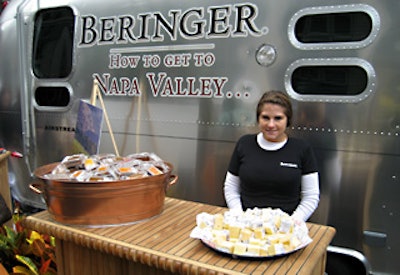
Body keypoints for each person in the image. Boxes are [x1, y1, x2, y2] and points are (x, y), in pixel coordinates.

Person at [223, 90, 320, 221]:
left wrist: (292, 223)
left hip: (286, 227)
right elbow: (231, 187)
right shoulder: (244, 143)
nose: (271, 124)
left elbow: (311, 196)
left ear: (288, 120)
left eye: (278, 118)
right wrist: (239, 216)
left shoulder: (302, 149)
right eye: (265, 117)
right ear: (258, 118)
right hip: (246, 223)